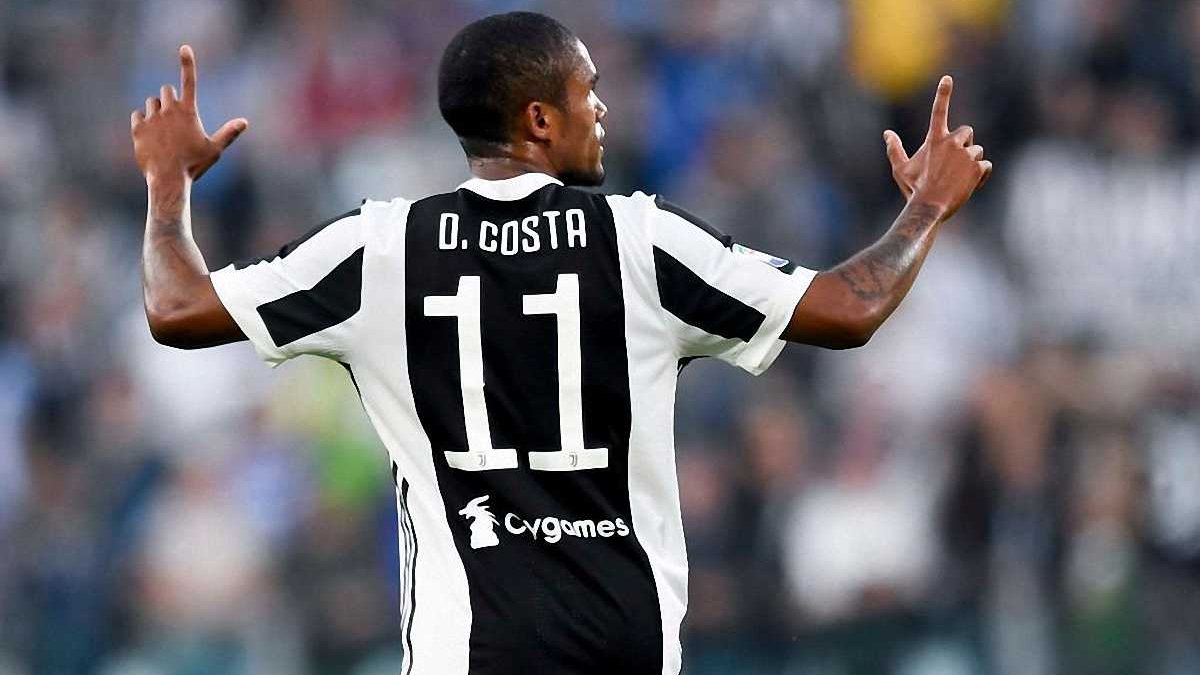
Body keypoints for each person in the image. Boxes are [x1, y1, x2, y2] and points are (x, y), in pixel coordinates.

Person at [129, 11, 990, 675]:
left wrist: (169, 184)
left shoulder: (379, 249)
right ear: (539, 118)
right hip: (623, 651)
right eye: (588, 90)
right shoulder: (640, 241)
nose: (602, 108)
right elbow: (848, 307)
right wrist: (925, 208)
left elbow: (176, 307)